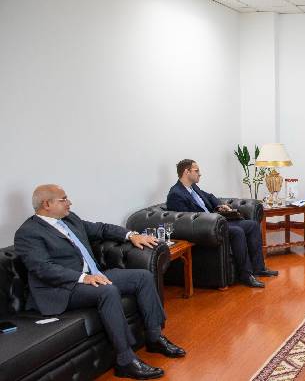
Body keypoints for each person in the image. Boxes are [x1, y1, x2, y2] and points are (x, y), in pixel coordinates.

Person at [14, 184, 185, 380]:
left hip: (93, 276)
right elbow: (43, 268)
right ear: (46, 204)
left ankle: (154, 337)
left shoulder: (69, 219)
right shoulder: (28, 232)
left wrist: (132, 235)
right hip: (63, 288)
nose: (69, 202)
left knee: (143, 277)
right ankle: (125, 361)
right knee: (107, 290)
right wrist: (84, 277)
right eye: (64, 199)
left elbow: (101, 229)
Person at [166, 159, 277, 289]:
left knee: (252, 225)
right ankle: (246, 275)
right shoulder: (176, 194)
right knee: (237, 232)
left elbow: (210, 196)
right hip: (207, 228)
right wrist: (213, 219)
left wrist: (220, 205)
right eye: (196, 171)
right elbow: (187, 221)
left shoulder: (193, 187)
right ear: (186, 172)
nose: (200, 174)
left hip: (217, 222)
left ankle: (259, 268)